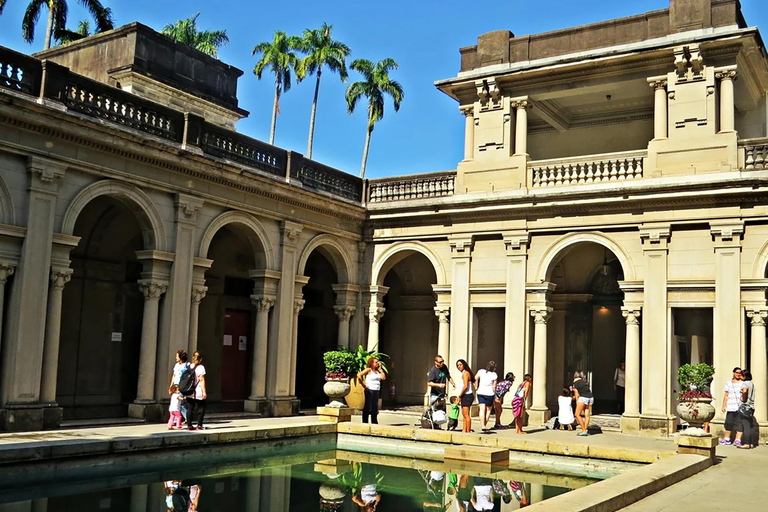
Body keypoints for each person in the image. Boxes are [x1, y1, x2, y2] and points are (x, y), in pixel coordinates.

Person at [720, 367, 744, 445]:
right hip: (730, 406)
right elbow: (726, 395)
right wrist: (724, 406)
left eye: (740, 373)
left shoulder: (743, 383)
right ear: (733, 373)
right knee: (728, 423)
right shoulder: (728, 383)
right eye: (737, 372)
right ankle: (727, 438)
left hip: (739, 407)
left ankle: (738, 440)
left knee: (739, 423)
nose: (738, 374)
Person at [359, 357, 386, 424]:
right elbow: (359, 375)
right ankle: (365, 421)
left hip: (376, 390)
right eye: (376, 362)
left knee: (375, 406)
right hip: (369, 390)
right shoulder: (369, 370)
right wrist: (363, 385)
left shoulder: (377, 372)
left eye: (378, 362)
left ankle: (374, 421)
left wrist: (381, 369)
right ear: (372, 363)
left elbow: (383, 378)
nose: (377, 363)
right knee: (368, 405)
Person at [734, 370, 758, 449]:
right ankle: (752, 442)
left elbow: (744, 391)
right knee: (750, 425)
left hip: (745, 407)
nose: (739, 376)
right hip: (751, 407)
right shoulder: (751, 384)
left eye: (741, 375)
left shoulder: (745, 383)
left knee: (746, 425)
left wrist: (743, 398)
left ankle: (747, 443)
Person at [186, 351, 207, 431]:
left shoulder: (189, 366)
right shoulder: (201, 367)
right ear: (200, 359)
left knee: (190, 408)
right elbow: (201, 379)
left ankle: (189, 426)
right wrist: (204, 391)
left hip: (189, 390)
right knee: (201, 407)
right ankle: (199, 425)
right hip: (198, 390)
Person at [474, 361, 498, 431]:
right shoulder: (494, 375)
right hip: (489, 393)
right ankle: (485, 424)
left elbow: (475, 378)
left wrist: (476, 386)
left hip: (480, 392)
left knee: (482, 409)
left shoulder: (481, 371)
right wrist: (495, 393)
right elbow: (494, 386)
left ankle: (482, 425)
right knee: (488, 410)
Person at [169, 350, 190, 422]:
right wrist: (171, 386)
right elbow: (174, 375)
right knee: (177, 402)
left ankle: (184, 417)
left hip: (183, 385)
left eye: (177, 356)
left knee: (180, 402)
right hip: (176, 386)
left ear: (181, 357)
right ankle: (177, 419)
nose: (176, 358)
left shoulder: (187, 365)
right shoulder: (176, 365)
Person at [456, 359, 475, 433]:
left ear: (464, 365)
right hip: (465, 395)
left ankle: (468, 430)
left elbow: (465, 386)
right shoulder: (464, 373)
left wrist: (460, 396)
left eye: (460, 365)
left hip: (467, 395)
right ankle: (464, 430)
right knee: (464, 414)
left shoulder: (465, 373)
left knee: (466, 414)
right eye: (458, 365)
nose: (459, 366)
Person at [572, 371, 593, 436]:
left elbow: (576, 393)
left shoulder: (575, 382)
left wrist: (577, 402)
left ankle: (583, 430)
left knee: (577, 414)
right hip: (590, 397)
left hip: (583, 398)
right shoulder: (585, 382)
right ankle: (585, 429)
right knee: (587, 415)